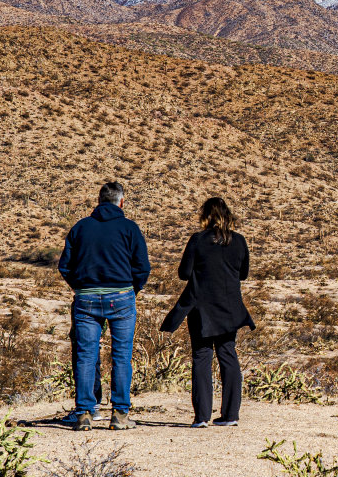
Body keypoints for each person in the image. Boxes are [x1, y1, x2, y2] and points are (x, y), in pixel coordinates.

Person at [58, 180, 150, 431]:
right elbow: (142, 267)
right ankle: (120, 415)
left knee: (86, 356)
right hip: (121, 296)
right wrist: (133, 290)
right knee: (121, 356)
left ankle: (85, 412)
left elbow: (65, 265)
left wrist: (80, 287)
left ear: (98, 202)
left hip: (86, 298)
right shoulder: (129, 228)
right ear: (122, 202)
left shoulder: (81, 227)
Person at [162, 197, 253, 428]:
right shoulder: (239, 241)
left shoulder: (197, 240)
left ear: (206, 216)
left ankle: (202, 416)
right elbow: (243, 274)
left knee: (202, 356)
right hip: (230, 307)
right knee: (228, 354)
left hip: (201, 306)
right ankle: (230, 414)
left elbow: (184, 273)